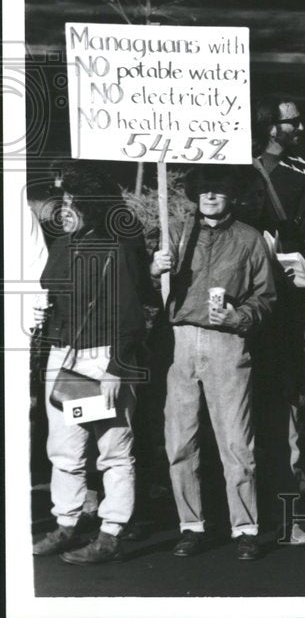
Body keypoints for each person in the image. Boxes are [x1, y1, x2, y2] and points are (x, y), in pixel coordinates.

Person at [152, 165, 276, 561]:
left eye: (218, 190)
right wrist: (154, 271)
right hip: (182, 342)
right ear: (194, 194)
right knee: (180, 440)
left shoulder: (249, 239)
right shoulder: (176, 234)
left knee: (237, 443)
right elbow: (146, 289)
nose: (210, 196)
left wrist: (239, 317)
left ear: (232, 196)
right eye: (204, 189)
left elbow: (266, 296)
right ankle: (191, 526)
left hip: (228, 344)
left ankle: (246, 529)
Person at [32, 162, 152, 565]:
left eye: (71, 201)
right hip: (66, 357)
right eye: (62, 199)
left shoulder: (115, 247)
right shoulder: (65, 243)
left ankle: (112, 532)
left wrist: (118, 367)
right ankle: (66, 523)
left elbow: (132, 314)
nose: (62, 208)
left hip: (104, 358)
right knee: (65, 449)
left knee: (113, 450)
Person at [248, 95, 305, 543]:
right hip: (245, 311)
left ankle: (289, 513)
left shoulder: (303, 173)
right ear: (270, 126)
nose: (300, 128)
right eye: (291, 122)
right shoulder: (238, 171)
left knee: (286, 415)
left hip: (286, 311)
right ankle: (251, 512)